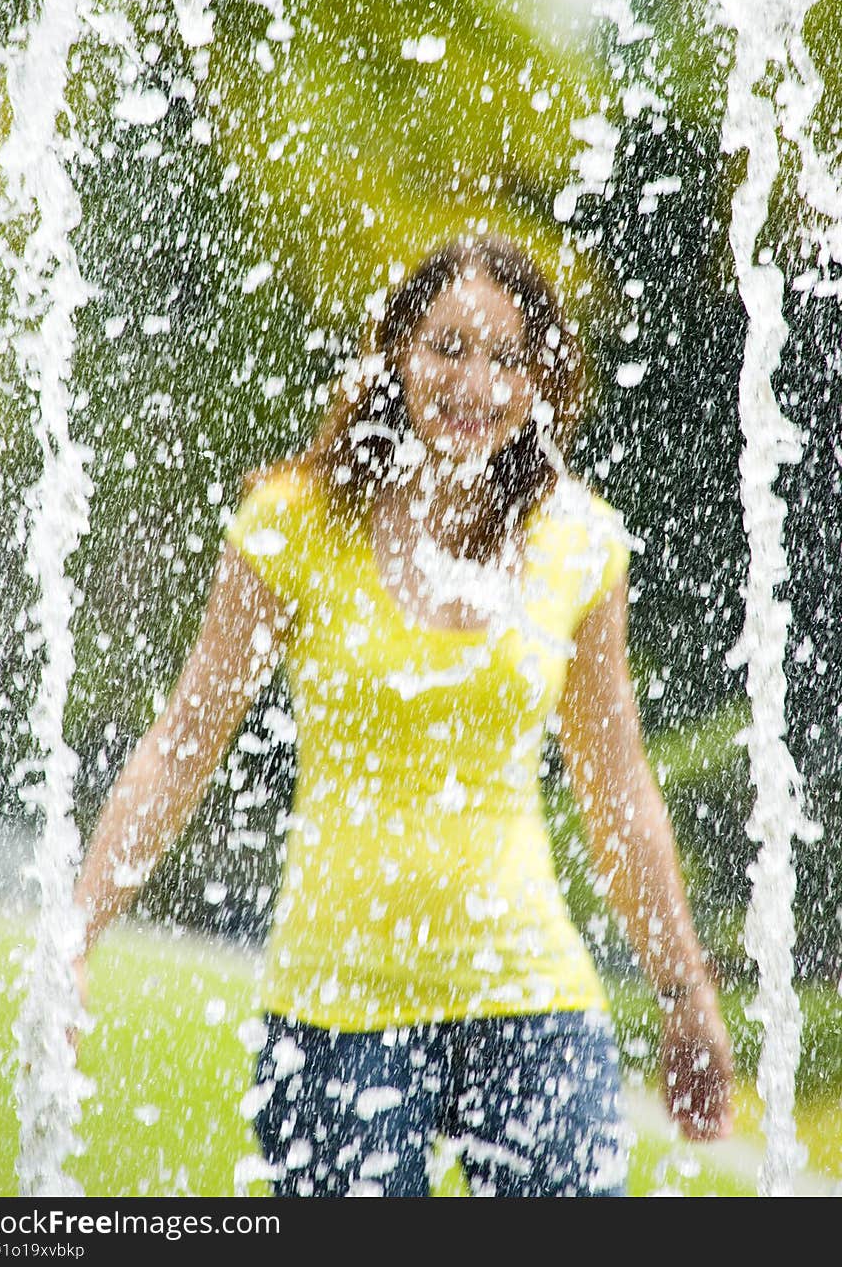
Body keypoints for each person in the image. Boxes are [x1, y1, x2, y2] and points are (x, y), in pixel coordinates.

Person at [72, 233, 734, 1197]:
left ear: (542, 379)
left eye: (510, 358)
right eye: (448, 347)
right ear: (395, 354)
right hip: (337, 1011)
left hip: (532, 1000)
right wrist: (77, 939)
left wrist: (684, 993)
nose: (479, 383)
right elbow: (182, 747)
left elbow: (616, 786)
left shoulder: (578, 544)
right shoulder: (295, 524)